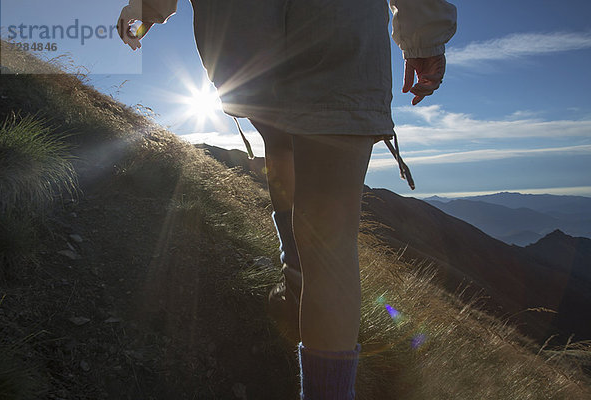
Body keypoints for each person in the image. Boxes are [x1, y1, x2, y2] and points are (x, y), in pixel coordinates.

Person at [117, 1, 457, 399]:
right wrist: (424, 35)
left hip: (241, 32)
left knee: (278, 140)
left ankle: (296, 283)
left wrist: (146, 8)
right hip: (339, 25)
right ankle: (301, 290)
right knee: (328, 236)